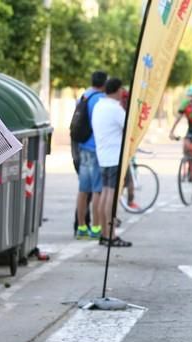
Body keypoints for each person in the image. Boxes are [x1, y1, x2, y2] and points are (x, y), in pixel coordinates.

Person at [91, 78, 132, 247]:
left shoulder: (99, 105)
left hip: (103, 155)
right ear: (117, 90)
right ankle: (111, 235)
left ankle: (104, 233)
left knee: (105, 194)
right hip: (115, 156)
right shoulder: (115, 109)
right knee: (112, 197)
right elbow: (129, 128)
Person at [75, 71, 107, 240]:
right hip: (96, 148)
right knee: (97, 191)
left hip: (82, 147)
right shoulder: (99, 99)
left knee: (82, 190)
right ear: (104, 83)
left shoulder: (84, 96)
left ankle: (81, 226)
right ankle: (95, 227)